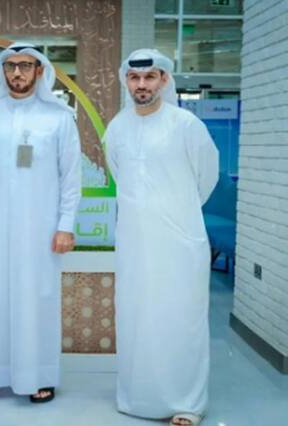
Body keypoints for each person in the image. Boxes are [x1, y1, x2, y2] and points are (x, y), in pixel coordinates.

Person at [0, 42, 82, 403]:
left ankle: (38, 375)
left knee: (36, 299)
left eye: (25, 66)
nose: (17, 73)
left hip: (40, 229)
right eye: (10, 66)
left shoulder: (59, 118)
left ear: (39, 71)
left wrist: (65, 225)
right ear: (2, 71)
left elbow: (71, 177)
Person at [104, 49, 219, 426]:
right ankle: (137, 398)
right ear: (126, 81)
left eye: (150, 77)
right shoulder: (117, 127)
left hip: (179, 243)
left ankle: (187, 403)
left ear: (164, 80)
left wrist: (176, 215)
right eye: (134, 78)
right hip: (135, 243)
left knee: (180, 319)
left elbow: (206, 178)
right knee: (136, 318)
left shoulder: (186, 125)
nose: (142, 85)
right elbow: (120, 177)